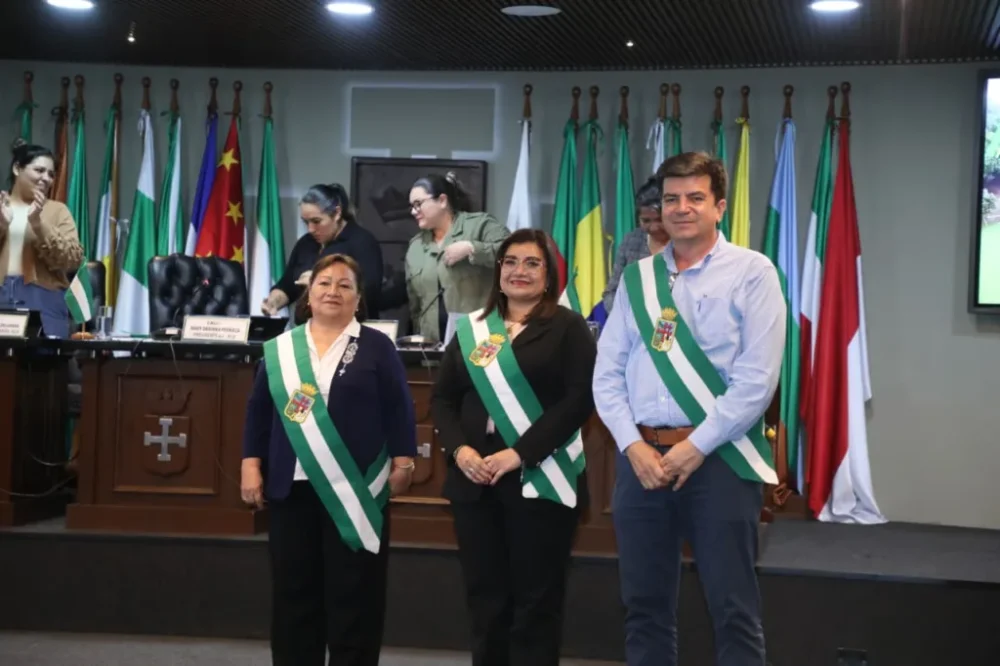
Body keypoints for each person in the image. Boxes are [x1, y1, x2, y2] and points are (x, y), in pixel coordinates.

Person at [592, 152, 785, 666]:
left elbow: (757, 381)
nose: (681, 209)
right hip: (642, 461)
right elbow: (607, 373)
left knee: (733, 608)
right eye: (671, 199)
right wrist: (631, 446)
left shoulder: (753, 273)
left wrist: (695, 448)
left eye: (695, 198)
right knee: (644, 607)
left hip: (719, 460)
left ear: (719, 206)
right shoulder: (638, 279)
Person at [242, 253, 417, 666]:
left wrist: (405, 462)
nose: (333, 291)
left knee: (355, 595)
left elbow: (400, 408)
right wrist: (251, 463)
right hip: (291, 488)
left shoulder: (377, 346)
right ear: (308, 293)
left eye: (344, 285)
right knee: (293, 593)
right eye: (324, 283)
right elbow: (258, 411)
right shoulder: (281, 349)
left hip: (355, 491)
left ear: (359, 299)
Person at [431, 228, 595, 666]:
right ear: (498, 271)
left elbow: (579, 401)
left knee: (535, 603)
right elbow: (443, 399)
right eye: (510, 262)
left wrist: (518, 453)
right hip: (474, 480)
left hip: (539, 477)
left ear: (548, 276)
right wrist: (459, 451)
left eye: (531, 263)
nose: (519, 271)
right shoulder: (472, 329)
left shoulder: (568, 327)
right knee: (485, 599)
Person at [405, 171, 509, 343]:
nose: (414, 211)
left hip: (480, 342)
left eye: (418, 204)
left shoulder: (479, 225)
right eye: (411, 206)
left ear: (442, 200)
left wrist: (472, 248)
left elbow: (514, 254)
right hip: (432, 348)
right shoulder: (415, 247)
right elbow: (415, 304)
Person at [261, 184, 384, 320]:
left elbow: (369, 295)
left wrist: (319, 283)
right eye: (305, 222)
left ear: (337, 213)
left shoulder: (362, 242)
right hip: (308, 328)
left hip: (349, 329)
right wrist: (274, 301)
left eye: (316, 221)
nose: (311, 229)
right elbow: (289, 284)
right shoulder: (306, 243)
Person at [0, 141, 83, 339]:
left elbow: (72, 260)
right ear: (17, 168)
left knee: (44, 364)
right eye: (39, 170)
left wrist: (39, 224)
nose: (46, 178)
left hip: (43, 297)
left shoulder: (58, 211)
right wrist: (2, 226)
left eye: (51, 174)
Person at [601, 176, 670, 314]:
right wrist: (629, 317)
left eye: (659, 220)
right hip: (631, 326)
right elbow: (611, 293)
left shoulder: (684, 244)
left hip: (672, 327)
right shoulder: (631, 242)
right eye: (646, 220)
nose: (654, 227)